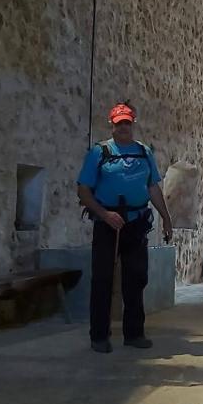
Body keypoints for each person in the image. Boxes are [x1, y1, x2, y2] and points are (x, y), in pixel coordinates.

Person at [77, 102, 173, 354]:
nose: (123, 127)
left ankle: (134, 333)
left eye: (127, 123)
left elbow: (152, 187)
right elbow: (83, 191)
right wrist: (105, 214)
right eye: (119, 123)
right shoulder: (99, 152)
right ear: (112, 124)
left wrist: (166, 217)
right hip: (107, 224)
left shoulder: (143, 152)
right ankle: (99, 336)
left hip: (136, 223)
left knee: (136, 278)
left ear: (133, 124)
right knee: (102, 279)